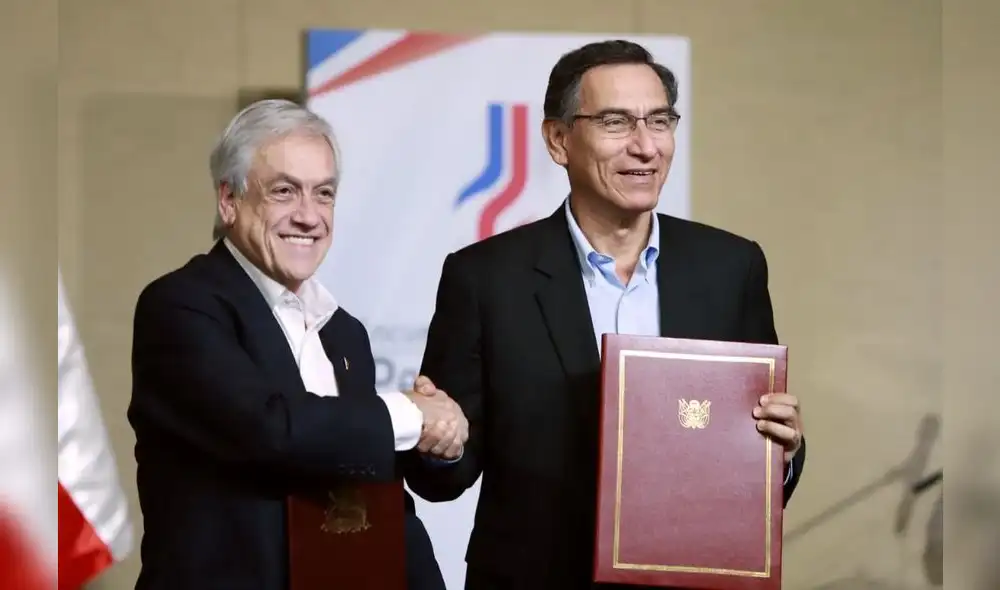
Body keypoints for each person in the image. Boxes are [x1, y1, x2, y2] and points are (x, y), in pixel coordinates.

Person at [404, 40, 807, 589]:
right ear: (558, 139)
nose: (645, 146)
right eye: (616, 122)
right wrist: (437, 439)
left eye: (659, 121)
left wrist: (779, 452)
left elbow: (754, 469)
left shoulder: (731, 268)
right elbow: (442, 478)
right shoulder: (485, 278)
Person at [127, 99, 467, 590]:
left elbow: (370, 481)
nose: (309, 217)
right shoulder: (182, 307)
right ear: (229, 200)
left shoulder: (344, 332)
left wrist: (438, 439)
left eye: (324, 194)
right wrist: (409, 416)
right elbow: (268, 432)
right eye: (284, 191)